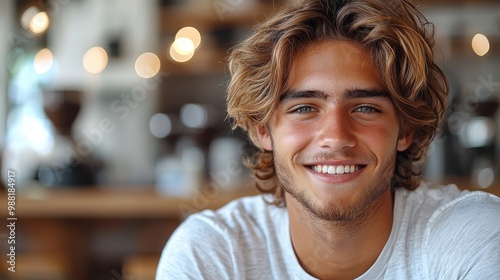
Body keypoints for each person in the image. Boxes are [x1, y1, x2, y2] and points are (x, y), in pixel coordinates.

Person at [156, 0, 500, 279]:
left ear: (405, 130)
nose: (336, 137)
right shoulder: (213, 252)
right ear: (263, 130)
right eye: (305, 108)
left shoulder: (475, 237)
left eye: (365, 107)